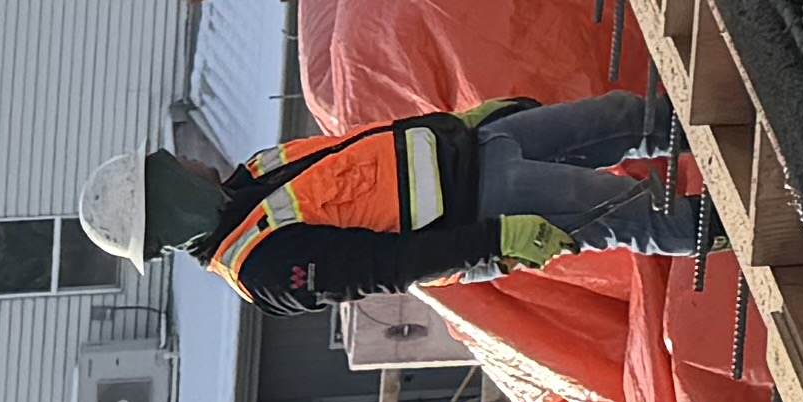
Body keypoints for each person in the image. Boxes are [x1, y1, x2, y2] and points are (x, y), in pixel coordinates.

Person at [80, 96, 711, 307]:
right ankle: (765, 224)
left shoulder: (254, 177)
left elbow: (370, 153)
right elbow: (387, 267)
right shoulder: (261, 266)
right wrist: (498, 239)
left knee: (628, 117)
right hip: (485, 210)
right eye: (170, 168)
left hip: (478, 147)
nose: (184, 159)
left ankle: (731, 116)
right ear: (172, 201)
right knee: (634, 212)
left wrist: (459, 123)